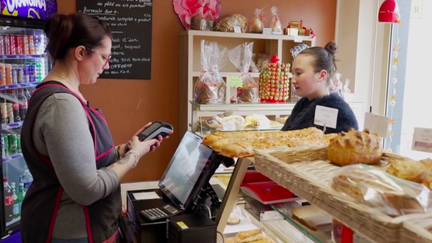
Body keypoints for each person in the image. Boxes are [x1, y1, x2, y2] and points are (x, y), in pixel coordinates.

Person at [20, 13, 166, 243]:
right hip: (71, 231)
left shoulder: (62, 94)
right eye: (104, 57)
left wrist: (124, 150)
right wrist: (135, 156)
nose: (107, 66)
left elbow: (80, 160)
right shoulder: (61, 105)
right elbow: (87, 189)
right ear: (80, 52)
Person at [281, 41, 358, 134]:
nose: (293, 80)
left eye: (299, 73)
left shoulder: (340, 115)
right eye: (293, 73)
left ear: (321, 75)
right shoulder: (302, 105)